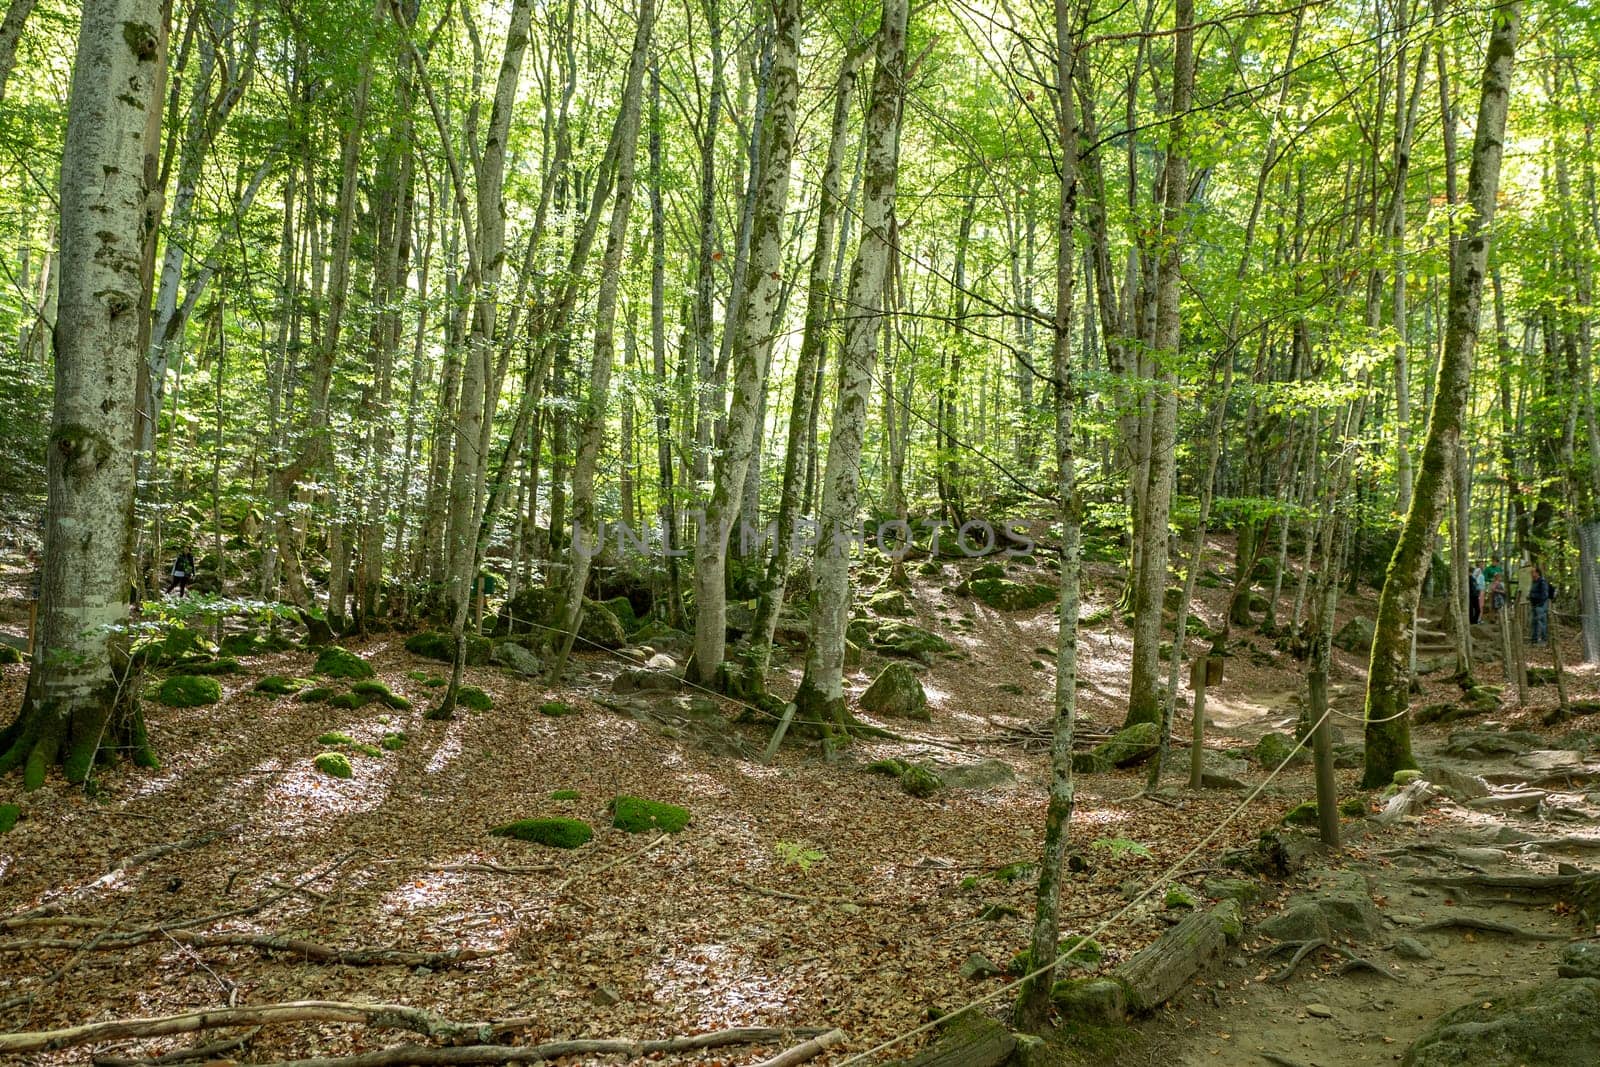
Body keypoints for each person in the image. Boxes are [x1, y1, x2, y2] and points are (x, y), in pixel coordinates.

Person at [1528, 565, 1552, 646]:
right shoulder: (1534, 582)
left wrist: (1534, 597)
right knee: (1534, 622)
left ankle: (1544, 640)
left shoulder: (1542, 582)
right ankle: (1534, 639)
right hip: (1534, 605)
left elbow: (1544, 595)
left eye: (1533, 572)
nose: (1531, 573)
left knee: (1541, 622)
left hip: (1540, 605)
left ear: (1537, 573)